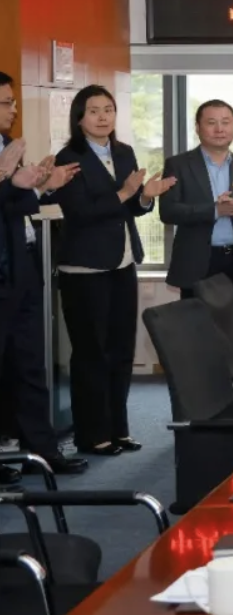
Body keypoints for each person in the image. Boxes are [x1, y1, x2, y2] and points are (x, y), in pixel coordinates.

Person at [51, 84, 176, 456]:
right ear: (79, 118)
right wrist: (124, 193)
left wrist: (146, 196)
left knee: (121, 350)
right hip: (84, 267)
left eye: (108, 109)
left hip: (122, 262)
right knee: (92, 352)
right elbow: (80, 213)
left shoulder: (123, 152)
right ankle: (92, 435)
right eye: (93, 111)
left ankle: (118, 429)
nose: (103, 117)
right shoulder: (69, 158)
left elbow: (131, 209)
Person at [0, 73, 84, 477]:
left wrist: (41, 187)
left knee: (29, 364)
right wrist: (11, 182)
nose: (13, 109)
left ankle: (41, 452)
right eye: (6, 103)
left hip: (23, 266)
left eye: (13, 101)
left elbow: (13, 206)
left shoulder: (7, 145)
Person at [160, 99, 233, 332]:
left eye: (226, 122)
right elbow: (167, 211)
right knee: (199, 335)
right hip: (198, 261)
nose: (219, 129)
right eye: (211, 123)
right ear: (198, 128)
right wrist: (215, 210)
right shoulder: (178, 165)